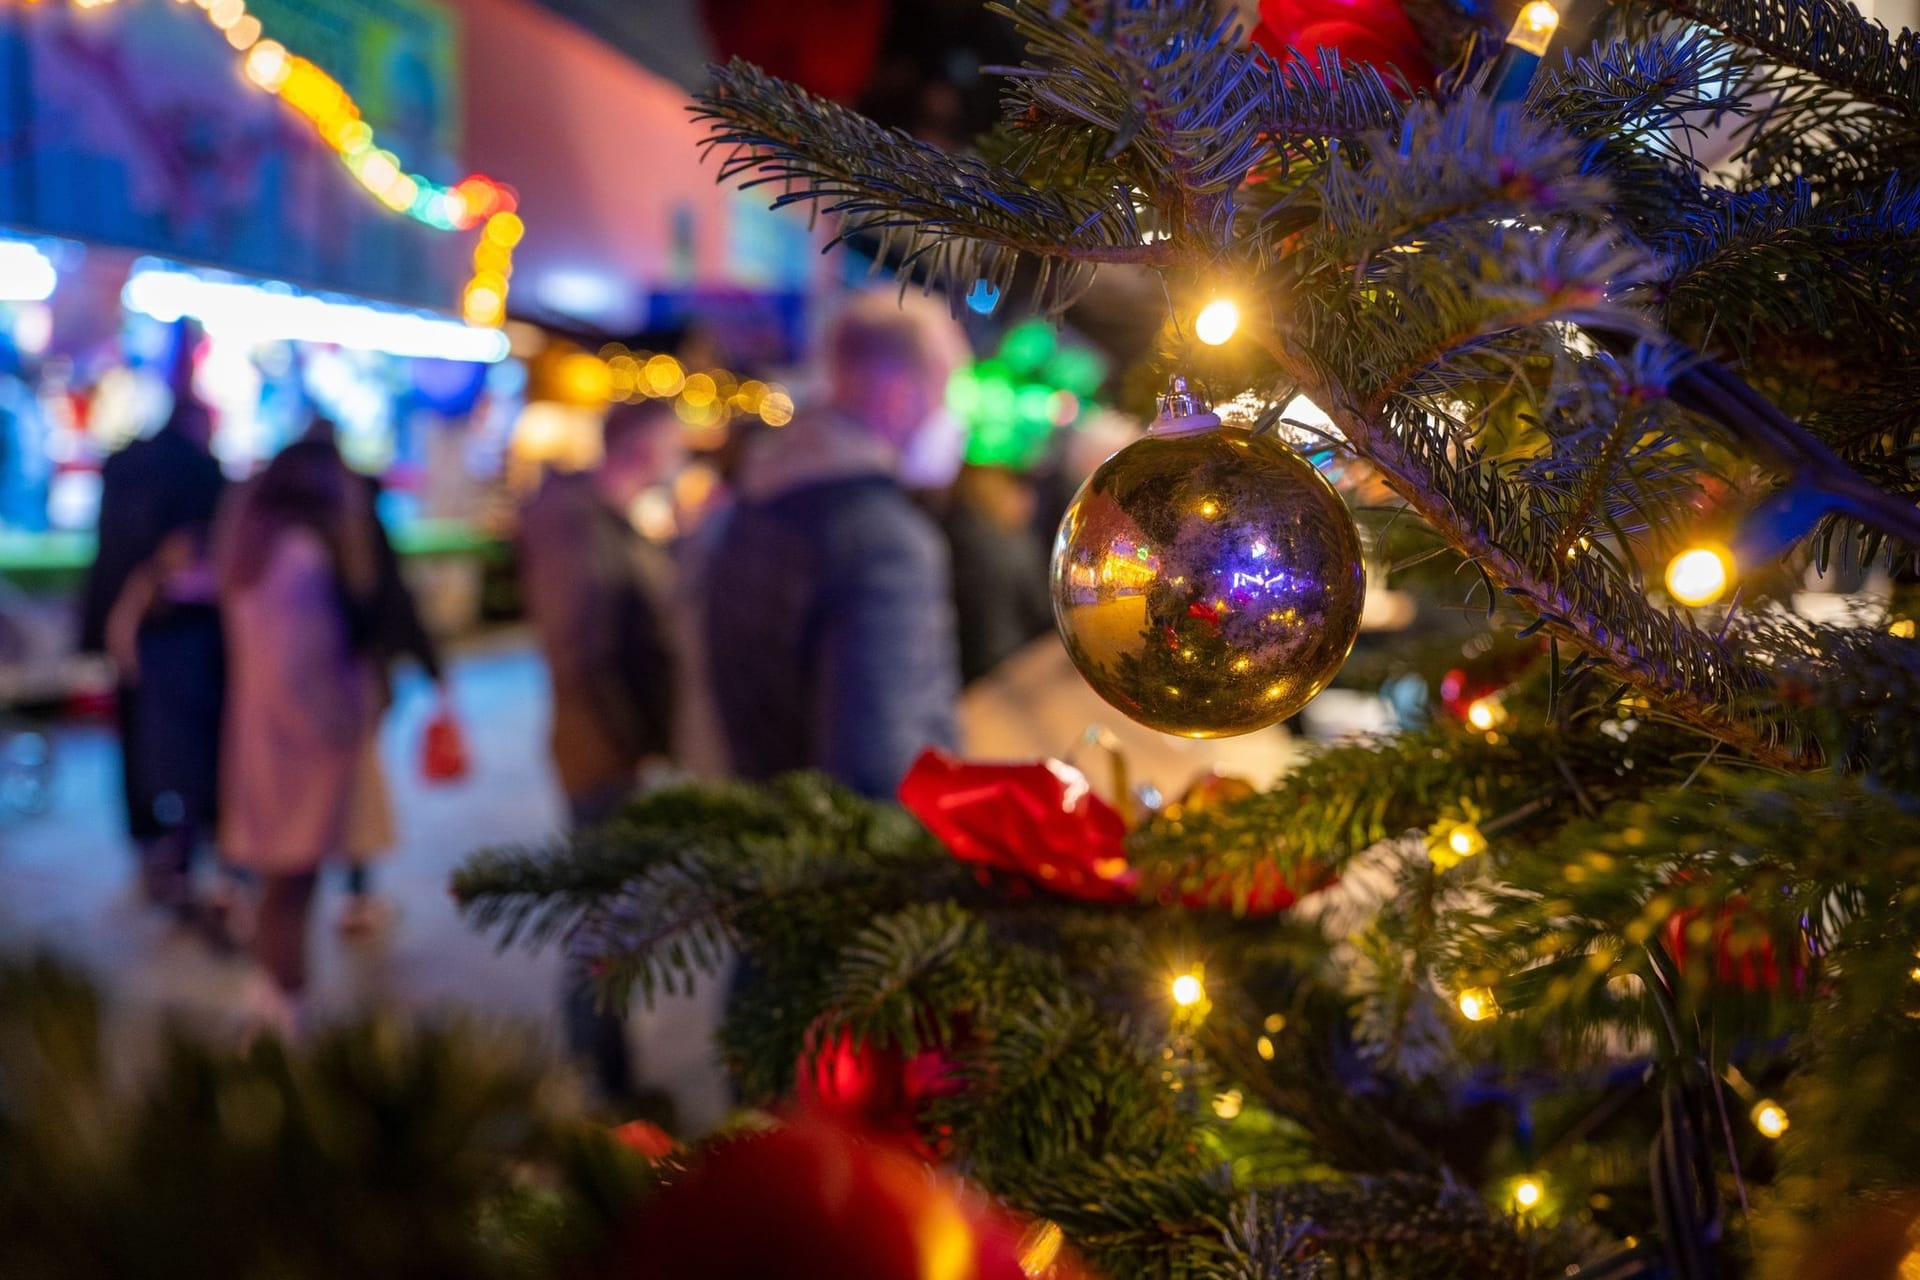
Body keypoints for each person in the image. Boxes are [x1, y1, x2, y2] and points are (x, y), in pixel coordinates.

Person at [703, 295, 962, 799]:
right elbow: (881, 775)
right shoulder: (887, 543)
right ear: (898, 392)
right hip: (836, 862)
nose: (947, 415)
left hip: (760, 830)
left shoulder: (756, 500)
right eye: (942, 390)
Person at [519, 399, 684, 1101]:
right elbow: (582, 650)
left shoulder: (607, 520)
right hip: (601, 754)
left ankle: (610, 1079)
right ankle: (601, 1088)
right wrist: (634, 741)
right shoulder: (578, 524)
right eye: (673, 444)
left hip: (615, 747)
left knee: (613, 916)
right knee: (603, 920)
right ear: (644, 447)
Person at [217, 440, 394, 1032]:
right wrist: (351, 716)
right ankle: (283, 1012)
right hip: (302, 747)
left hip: (266, 737)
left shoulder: (255, 547)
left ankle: (276, 999)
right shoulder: (300, 555)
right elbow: (302, 666)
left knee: (282, 880)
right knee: (292, 882)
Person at [78, 396, 226, 906]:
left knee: (138, 743)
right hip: (179, 636)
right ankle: (186, 848)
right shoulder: (199, 474)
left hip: (131, 635)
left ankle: (150, 841)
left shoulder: (122, 466)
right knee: (187, 748)